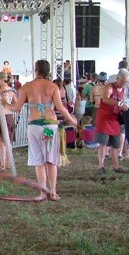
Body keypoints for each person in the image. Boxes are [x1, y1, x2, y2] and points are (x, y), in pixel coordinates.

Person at [6, 60, 77, 200]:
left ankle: (42, 193)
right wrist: (72, 119)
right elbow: (61, 108)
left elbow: (16, 108)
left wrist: (4, 104)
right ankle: (53, 192)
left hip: (34, 126)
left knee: (39, 161)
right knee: (51, 161)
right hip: (50, 125)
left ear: (36, 69)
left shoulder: (27, 87)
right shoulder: (53, 87)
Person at [94, 69, 129, 174]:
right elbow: (105, 99)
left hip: (115, 119)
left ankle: (116, 166)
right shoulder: (109, 86)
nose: (124, 84)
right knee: (103, 143)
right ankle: (101, 166)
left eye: (125, 82)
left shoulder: (123, 90)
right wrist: (119, 103)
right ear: (117, 79)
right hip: (104, 118)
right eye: (123, 81)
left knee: (115, 144)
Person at [0, 73, 18, 170]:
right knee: (6, 141)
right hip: (8, 116)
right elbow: (16, 103)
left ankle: (4, 164)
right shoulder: (11, 90)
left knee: (2, 142)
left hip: (2, 116)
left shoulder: (1, 90)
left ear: (1, 79)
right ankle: (7, 164)